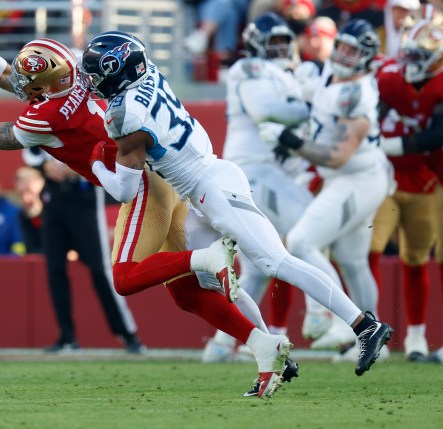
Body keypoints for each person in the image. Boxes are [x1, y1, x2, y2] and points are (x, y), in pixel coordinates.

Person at [0, 30, 298, 398]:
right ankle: (265, 345)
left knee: (126, 277)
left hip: (141, 185)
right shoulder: (80, 74)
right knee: (187, 293)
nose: (19, 82)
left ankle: (207, 259)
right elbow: (20, 82)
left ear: (45, 84)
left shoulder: (44, 116)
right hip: (166, 174)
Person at [80, 29, 393, 379]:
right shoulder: (147, 72)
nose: (91, 83)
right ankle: (271, 347)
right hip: (202, 184)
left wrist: (92, 163)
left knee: (276, 261)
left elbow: (123, 191)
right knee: (211, 279)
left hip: (212, 185)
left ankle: (363, 324)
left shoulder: (124, 117)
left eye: (96, 76)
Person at [259, 19, 394, 362]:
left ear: (366, 58)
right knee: (352, 261)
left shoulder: (356, 93)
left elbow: (338, 156)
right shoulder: (327, 76)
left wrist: (292, 142)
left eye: (353, 51)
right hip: (351, 178)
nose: (345, 56)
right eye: (343, 47)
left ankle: (339, 319)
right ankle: (376, 342)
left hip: (357, 177)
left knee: (302, 241)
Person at [202, 13, 317, 362]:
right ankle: (328, 316)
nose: (281, 49)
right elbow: (266, 109)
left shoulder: (284, 74)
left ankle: (221, 345)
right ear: (256, 45)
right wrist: (308, 106)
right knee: (308, 235)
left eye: (285, 42)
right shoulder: (250, 69)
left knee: (255, 269)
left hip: (267, 175)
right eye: (274, 43)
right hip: (251, 175)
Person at [24, 149, 146, 354]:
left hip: (84, 194)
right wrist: (44, 165)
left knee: (100, 269)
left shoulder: (93, 116)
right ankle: (66, 336)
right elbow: (29, 146)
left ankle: (128, 334)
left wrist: (84, 166)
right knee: (55, 269)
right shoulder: (42, 117)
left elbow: (108, 147)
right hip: (53, 196)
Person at [374, 14, 443, 362]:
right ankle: (365, 333)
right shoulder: (389, 78)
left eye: (419, 56)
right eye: (408, 54)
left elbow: (437, 135)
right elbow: (372, 114)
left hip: (432, 180)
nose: (410, 63)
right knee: (367, 248)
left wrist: (390, 144)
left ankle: (417, 336)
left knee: (421, 257)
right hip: (389, 179)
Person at [14, 165, 44, 255]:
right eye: (22, 194)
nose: (26, 198)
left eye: (30, 192)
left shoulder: (55, 214)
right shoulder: (17, 215)